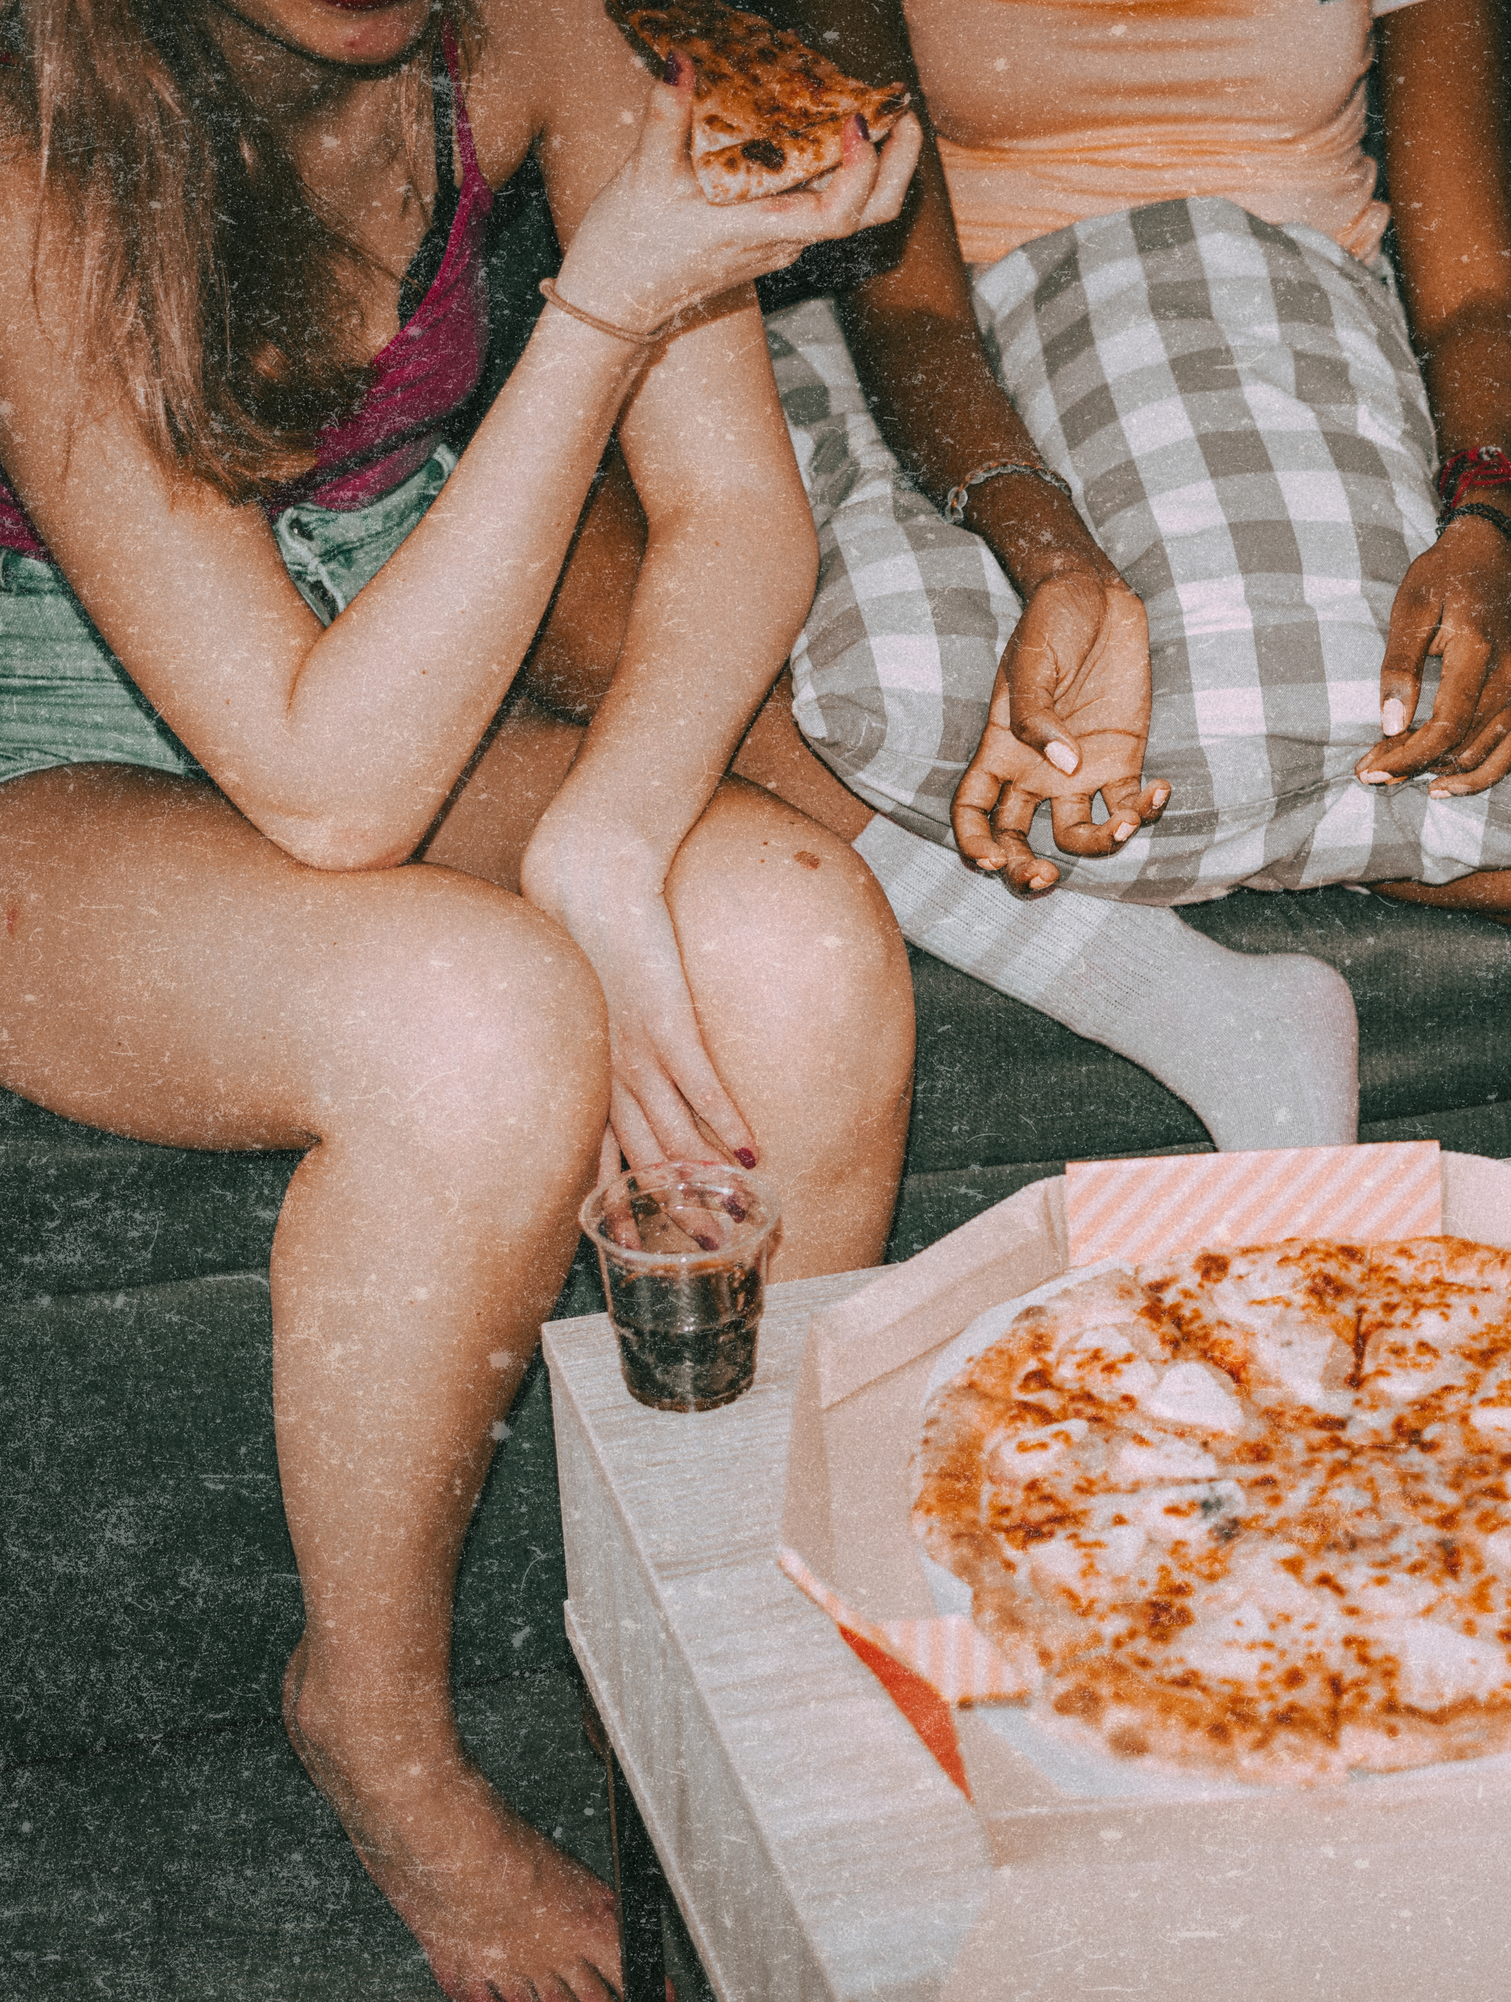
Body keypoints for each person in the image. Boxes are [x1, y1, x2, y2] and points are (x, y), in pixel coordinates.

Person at [0, 2, 920, 1993]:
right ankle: (382, 1734)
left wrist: (615, 830)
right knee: (473, 1019)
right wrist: (597, 317)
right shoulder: (27, 108)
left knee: (797, 938)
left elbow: (742, 515)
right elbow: (329, 792)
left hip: (403, 656)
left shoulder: (543, 29)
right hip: (49, 744)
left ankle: (737, 1634)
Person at [694, 0, 1511, 1152]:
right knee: (701, 678)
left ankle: (1227, 847)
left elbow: (1476, 298)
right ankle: (1182, 959)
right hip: (986, 391)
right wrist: (1059, 563)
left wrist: (1488, 529)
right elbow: (912, 321)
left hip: (1300, 328)